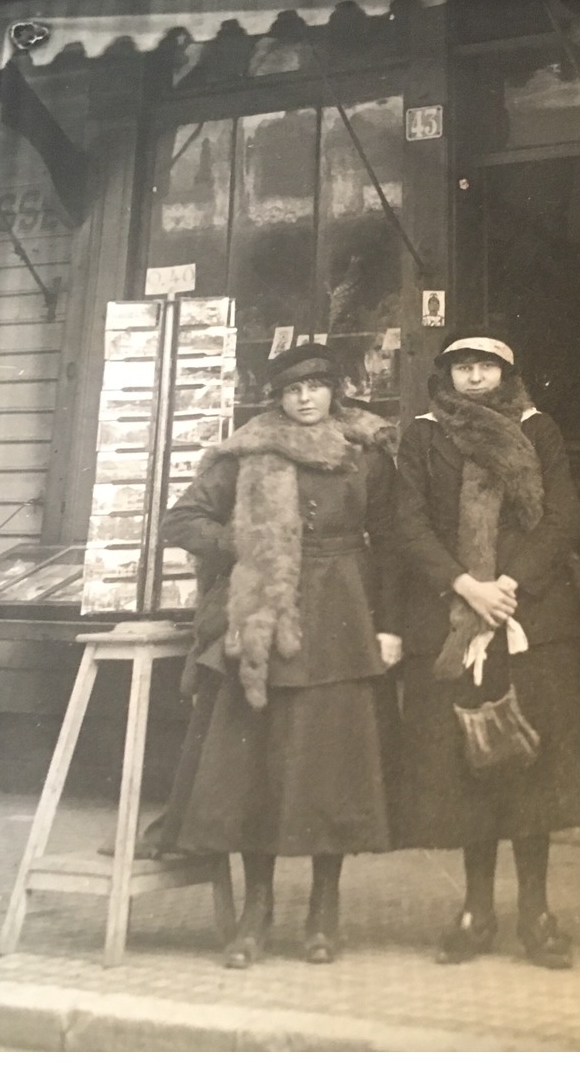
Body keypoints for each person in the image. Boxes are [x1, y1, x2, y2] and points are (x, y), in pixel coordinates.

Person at [162, 342, 401, 968]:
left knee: (332, 770)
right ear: (278, 397)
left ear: (335, 392)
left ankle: (325, 907)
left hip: (344, 620)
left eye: (316, 387)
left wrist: (389, 626)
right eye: (293, 390)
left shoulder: (366, 454)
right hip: (263, 619)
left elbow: (395, 541)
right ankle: (257, 910)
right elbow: (181, 520)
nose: (304, 398)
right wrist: (246, 542)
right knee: (257, 774)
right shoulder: (247, 452)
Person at [393, 330, 580, 970]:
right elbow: (409, 522)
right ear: (448, 376)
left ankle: (537, 912)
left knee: (531, 768)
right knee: (469, 767)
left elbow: (563, 518)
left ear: (506, 374)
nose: (474, 377)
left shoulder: (537, 430)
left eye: (485, 367)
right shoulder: (424, 434)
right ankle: (475, 910)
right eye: (462, 368)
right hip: (453, 617)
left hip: (527, 618)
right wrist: (466, 585)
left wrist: (507, 587)